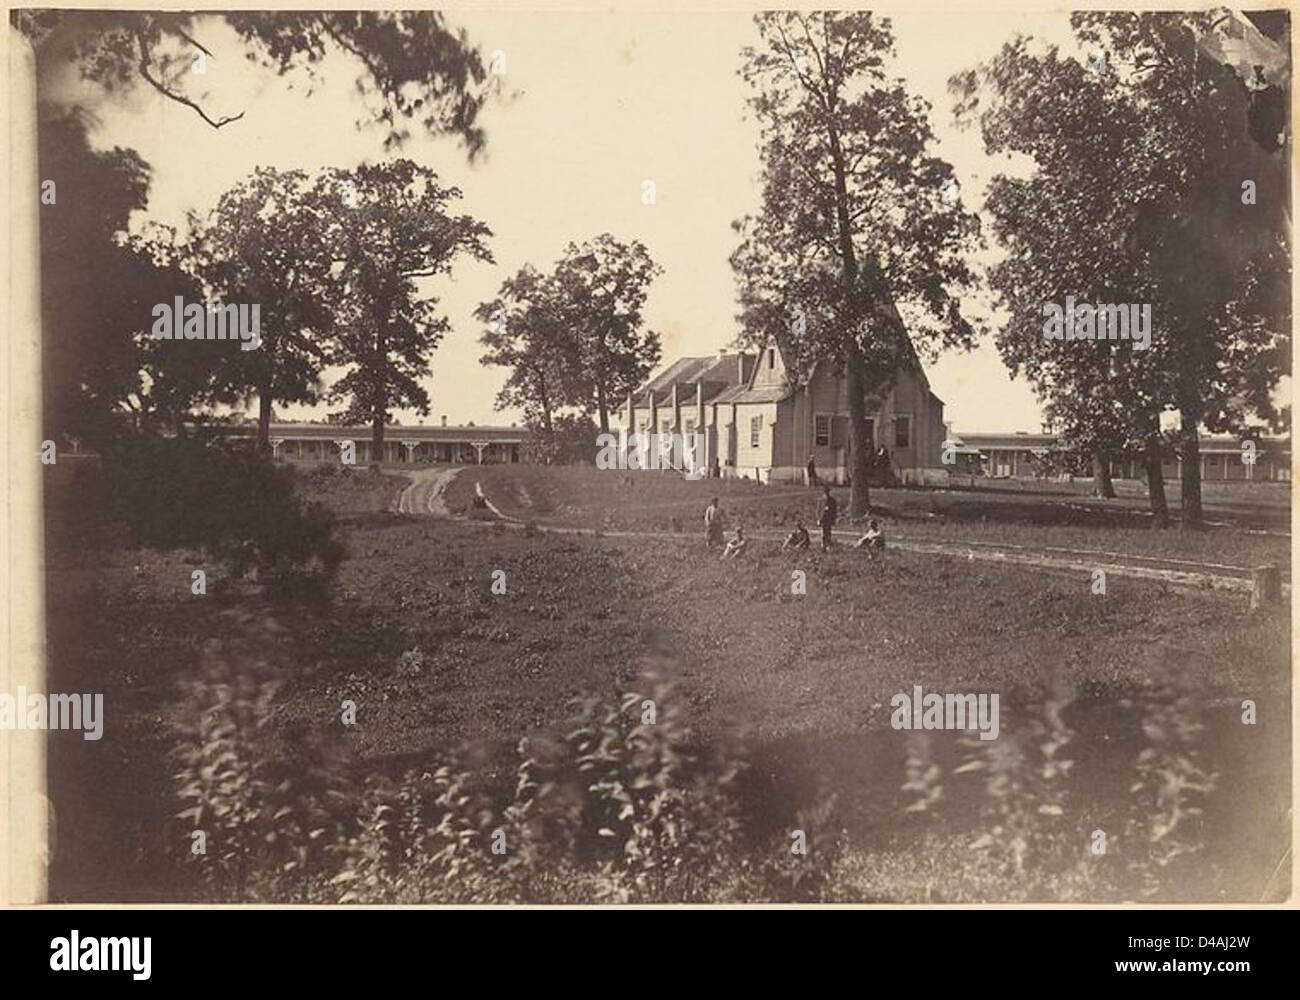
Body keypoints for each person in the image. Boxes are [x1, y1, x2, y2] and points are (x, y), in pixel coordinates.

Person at [817, 485, 837, 550]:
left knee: (828, 531)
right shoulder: (821, 500)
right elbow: (818, 510)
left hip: (829, 518)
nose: (826, 493)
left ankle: (828, 544)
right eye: (825, 492)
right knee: (823, 532)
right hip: (823, 518)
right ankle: (823, 545)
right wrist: (818, 519)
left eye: (827, 492)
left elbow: (834, 511)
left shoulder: (832, 500)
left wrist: (833, 519)